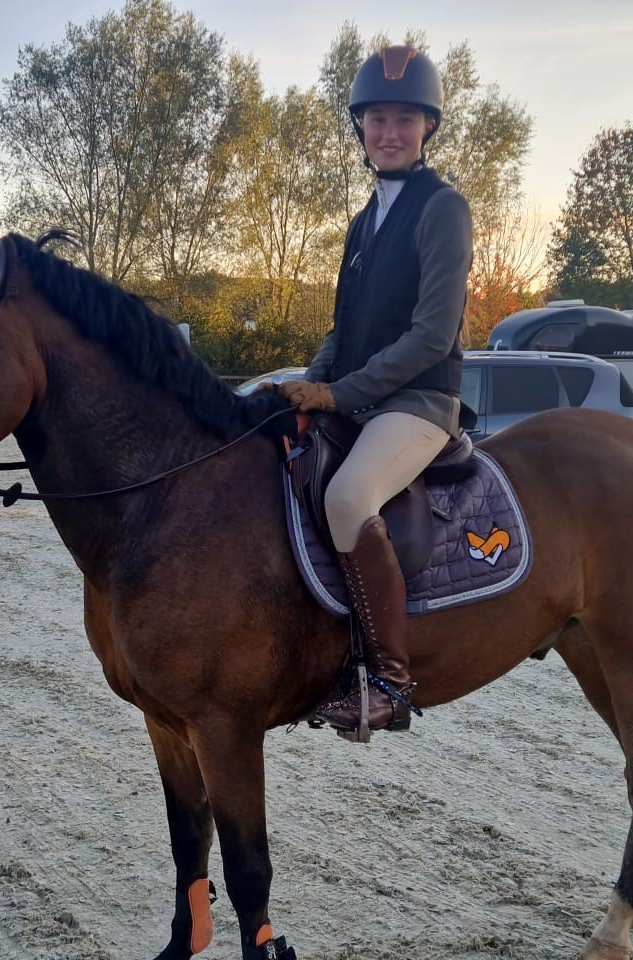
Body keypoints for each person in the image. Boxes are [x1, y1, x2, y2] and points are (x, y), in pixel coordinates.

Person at [277, 43, 473, 735]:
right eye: (378, 119)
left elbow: (431, 335)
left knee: (348, 496)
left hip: (419, 402)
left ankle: (390, 682)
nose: (390, 132)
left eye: (405, 120)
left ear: (428, 128)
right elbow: (344, 327)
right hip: (360, 398)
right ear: (360, 127)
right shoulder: (363, 222)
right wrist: (309, 382)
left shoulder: (442, 208)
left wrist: (339, 395)